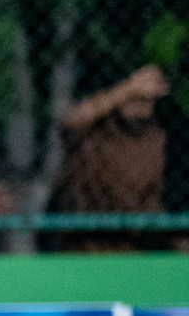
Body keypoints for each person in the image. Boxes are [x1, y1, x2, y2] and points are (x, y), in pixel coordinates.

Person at [55, 65, 174, 251]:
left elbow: (154, 203)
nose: (140, 108)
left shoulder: (155, 139)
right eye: (135, 98)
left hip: (129, 245)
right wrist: (130, 88)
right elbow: (71, 121)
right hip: (81, 242)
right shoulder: (95, 131)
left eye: (147, 101)